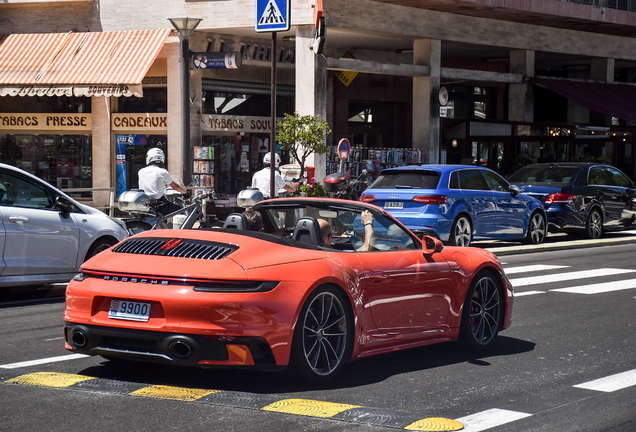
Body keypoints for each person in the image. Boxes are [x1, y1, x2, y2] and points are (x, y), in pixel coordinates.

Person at [138, 147, 187, 216]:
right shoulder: (162, 172)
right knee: (181, 211)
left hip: (145, 202)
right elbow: (175, 186)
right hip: (158, 204)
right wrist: (185, 192)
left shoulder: (141, 171)